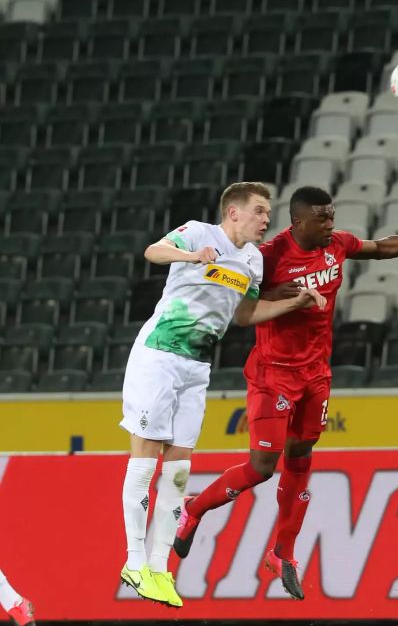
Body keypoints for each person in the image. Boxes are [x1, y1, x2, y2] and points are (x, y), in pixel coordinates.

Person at [174, 186, 398, 599]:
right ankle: (194, 508)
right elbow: (242, 305)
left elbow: (381, 248)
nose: (331, 224)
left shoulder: (339, 245)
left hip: (315, 375)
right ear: (298, 222)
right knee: (261, 467)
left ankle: (282, 552)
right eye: (322, 218)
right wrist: (281, 295)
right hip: (273, 373)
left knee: (301, 458)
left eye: (332, 215)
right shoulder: (267, 256)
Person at [118, 182, 327, 608]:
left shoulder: (251, 260)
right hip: (158, 356)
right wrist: (190, 256)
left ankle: (159, 568)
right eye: (260, 211)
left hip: (196, 368)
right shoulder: (198, 233)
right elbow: (153, 251)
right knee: (144, 459)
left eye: (268, 213)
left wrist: (297, 303)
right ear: (233, 212)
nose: (267, 220)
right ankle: (134, 562)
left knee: (178, 471)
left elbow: (246, 313)